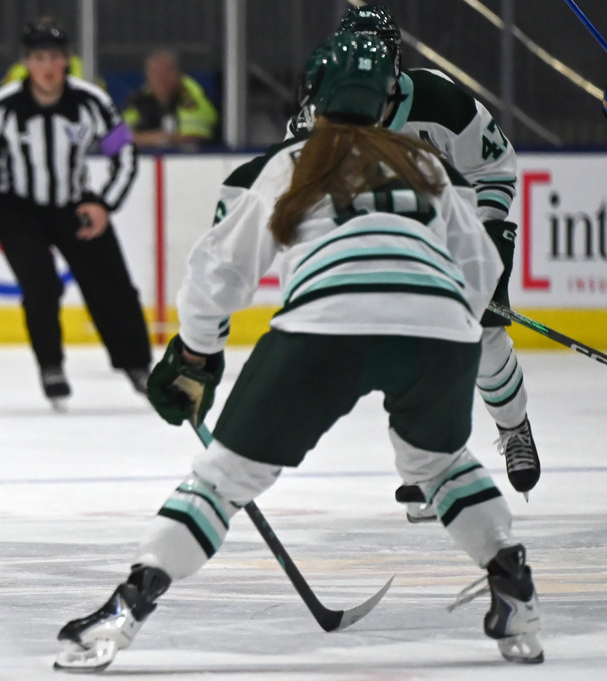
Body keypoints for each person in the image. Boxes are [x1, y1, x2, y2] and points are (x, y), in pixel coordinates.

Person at [53, 33, 543, 672]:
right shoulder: (431, 166)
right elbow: (478, 276)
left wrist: (197, 356)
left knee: (223, 480)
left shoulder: (292, 161)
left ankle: (124, 611)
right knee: (441, 464)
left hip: (326, 325)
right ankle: (514, 590)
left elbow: (217, 274)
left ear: (317, 95)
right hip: (437, 331)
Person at [288, 4, 540, 521]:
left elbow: (494, 167)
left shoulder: (441, 99)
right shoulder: (320, 109)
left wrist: (490, 240)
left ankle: (513, 427)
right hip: (385, 233)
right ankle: (434, 471)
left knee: (486, 336)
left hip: (459, 227)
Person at [0, 18, 151, 409]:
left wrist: (103, 203)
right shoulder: (2, 106)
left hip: (74, 205)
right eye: (39, 58)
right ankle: (51, 365)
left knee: (113, 286)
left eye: (56, 57)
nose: (48, 67)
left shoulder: (90, 101)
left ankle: (138, 366)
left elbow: (125, 153)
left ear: (67, 61)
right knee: (40, 285)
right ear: (27, 63)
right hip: (17, 208)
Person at [122, 49, 218, 149]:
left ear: (178, 73)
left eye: (167, 71)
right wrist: (158, 137)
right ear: (147, 76)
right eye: (155, 72)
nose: (161, 78)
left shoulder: (193, 97)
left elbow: (191, 138)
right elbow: (111, 143)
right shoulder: (139, 100)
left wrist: (139, 138)